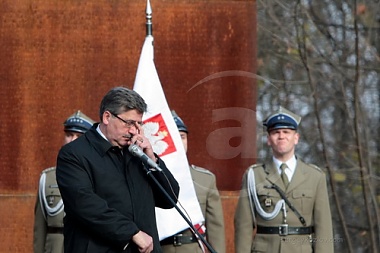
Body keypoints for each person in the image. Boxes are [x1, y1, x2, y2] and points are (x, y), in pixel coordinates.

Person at [56, 86, 180, 253]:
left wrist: (151, 158)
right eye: (128, 123)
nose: (133, 131)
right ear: (107, 117)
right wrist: (132, 233)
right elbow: (84, 204)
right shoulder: (74, 154)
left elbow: (170, 199)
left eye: (138, 124)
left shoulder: (138, 153)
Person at [234, 106, 334, 253]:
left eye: (286, 132)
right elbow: (243, 225)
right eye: (276, 133)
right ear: (268, 140)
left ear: (296, 138)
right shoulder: (254, 175)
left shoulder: (315, 176)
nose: (281, 136)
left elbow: (323, 227)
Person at [160, 111, 226, 253]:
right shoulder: (150, 177)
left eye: (182, 137)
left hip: (193, 248)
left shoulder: (205, 179)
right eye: (173, 137)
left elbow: (216, 228)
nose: (179, 141)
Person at [33, 110, 95, 253]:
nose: (72, 140)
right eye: (69, 135)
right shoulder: (47, 178)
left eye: (79, 136)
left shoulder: (98, 177)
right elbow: (40, 229)